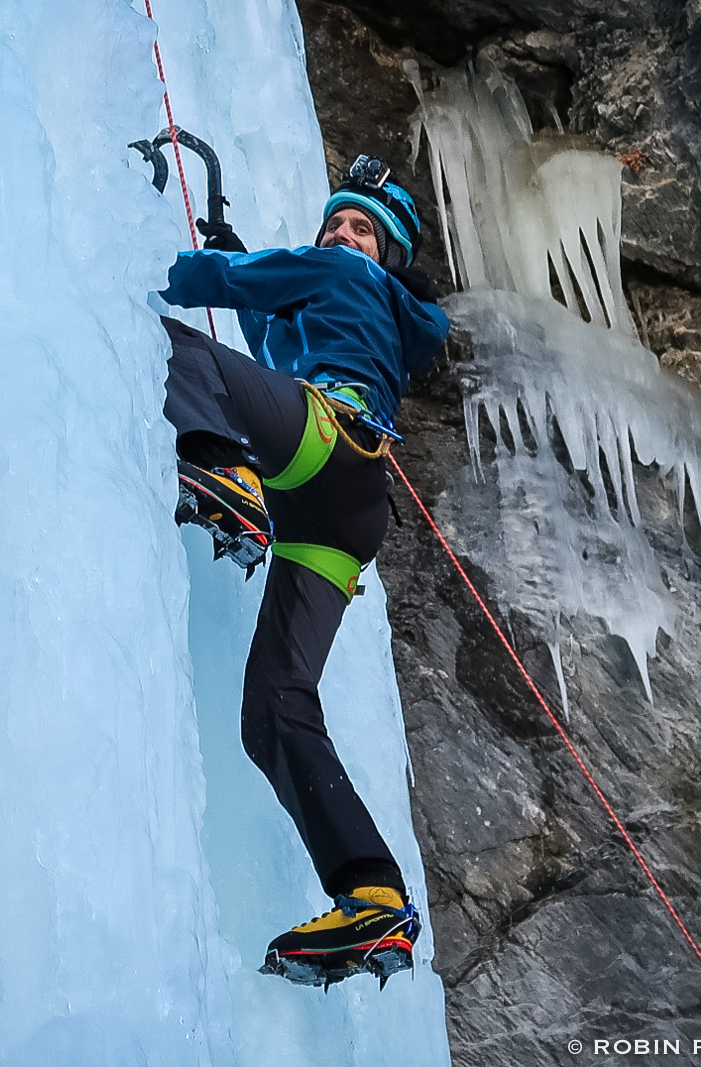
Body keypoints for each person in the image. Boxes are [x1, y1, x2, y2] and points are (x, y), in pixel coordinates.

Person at [159, 155, 450, 988]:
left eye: (361, 228)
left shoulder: (334, 270)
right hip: (350, 513)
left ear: (382, 251)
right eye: (337, 223)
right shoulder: (384, 312)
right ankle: (371, 892)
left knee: (177, 354)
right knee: (275, 709)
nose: (342, 235)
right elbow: (279, 345)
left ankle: (225, 475)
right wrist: (246, 257)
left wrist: (162, 257)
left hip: (322, 444)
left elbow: (225, 283)